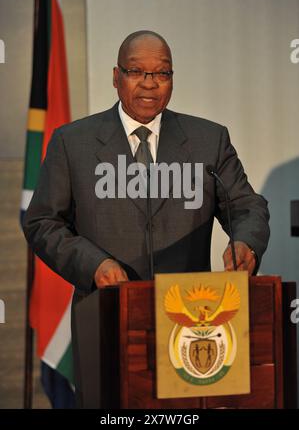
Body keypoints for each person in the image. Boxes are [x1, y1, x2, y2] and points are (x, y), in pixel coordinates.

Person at [22, 30, 270, 405]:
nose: (150, 84)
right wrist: (93, 263)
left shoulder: (208, 140)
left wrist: (245, 242)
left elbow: (247, 206)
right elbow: (42, 222)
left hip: (192, 323)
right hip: (105, 317)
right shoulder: (72, 143)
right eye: (137, 71)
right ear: (116, 76)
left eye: (162, 73)